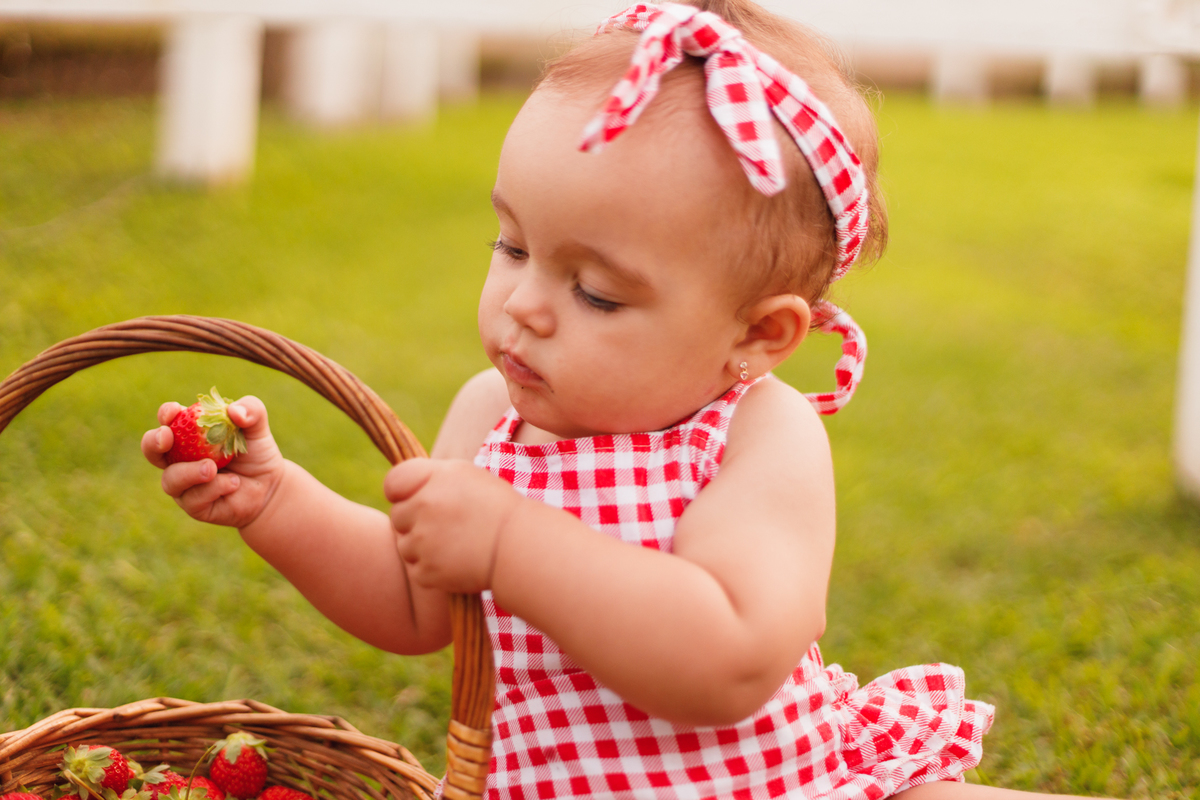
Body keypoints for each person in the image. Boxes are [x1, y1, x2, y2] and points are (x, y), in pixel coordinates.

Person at [140, 2, 1104, 798]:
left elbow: (729, 659)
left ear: (757, 336)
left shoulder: (758, 437)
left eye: (595, 292)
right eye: (512, 246)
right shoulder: (490, 414)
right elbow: (416, 606)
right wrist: (277, 502)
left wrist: (513, 542)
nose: (522, 305)